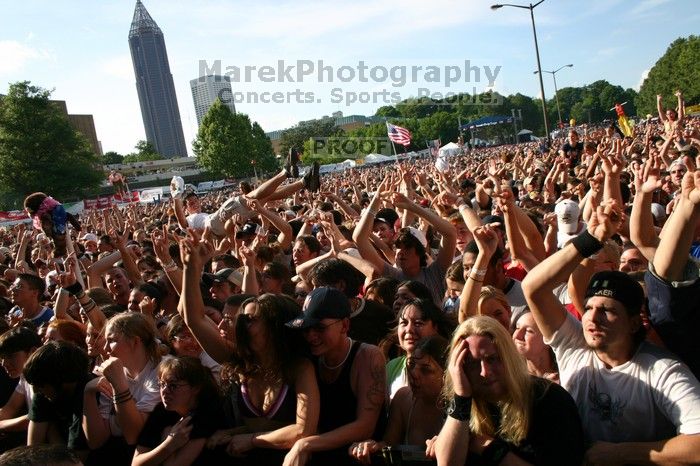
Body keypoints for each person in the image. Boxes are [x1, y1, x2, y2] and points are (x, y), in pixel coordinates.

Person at [521, 199, 700, 464]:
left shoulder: (662, 371)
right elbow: (533, 288)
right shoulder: (574, 347)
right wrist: (590, 240)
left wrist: (619, 454)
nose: (592, 316)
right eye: (590, 307)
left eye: (608, 310)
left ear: (634, 322)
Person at [433, 316, 584, 466]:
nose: (485, 372)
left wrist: (490, 449)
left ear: (508, 357)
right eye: (473, 364)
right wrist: (461, 398)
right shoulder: (462, 400)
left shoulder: (548, 399)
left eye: (492, 359)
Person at [284, 287, 386, 466]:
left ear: (345, 325)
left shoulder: (368, 356)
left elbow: (365, 426)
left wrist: (305, 444)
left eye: (319, 328)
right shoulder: (307, 357)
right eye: (306, 328)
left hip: (356, 457)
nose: (311, 335)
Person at [350, 335, 448, 465]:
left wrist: (449, 443)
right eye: (411, 364)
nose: (414, 373)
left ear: (447, 376)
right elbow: (389, 444)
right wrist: (371, 447)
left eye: (425, 370)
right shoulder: (403, 398)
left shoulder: (460, 407)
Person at [82, 313, 163, 464]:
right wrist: (88, 392)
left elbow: (132, 435)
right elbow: (96, 441)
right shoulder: (114, 371)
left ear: (135, 341)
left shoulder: (161, 371)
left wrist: (119, 385)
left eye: (111, 341)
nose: (105, 348)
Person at [132, 356, 223, 466]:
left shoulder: (207, 415)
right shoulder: (161, 412)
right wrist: (169, 444)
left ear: (196, 388)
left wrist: (169, 442)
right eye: (162, 384)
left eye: (173, 385)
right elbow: (136, 463)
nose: (164, 391)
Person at [23, 341, 94, 455]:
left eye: (40, 385)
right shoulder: (44, 390)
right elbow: (33, 450)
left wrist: (51, 430)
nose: (36, 390)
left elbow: (75, 459)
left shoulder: (87, 394)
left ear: (63, 381)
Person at [385, 299, 452, 399]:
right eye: (404, 323)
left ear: (436, 328)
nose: (409, 330)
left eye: (418, 323)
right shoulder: (391, 367)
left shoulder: (448, 367)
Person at [0, 327, 42, 442]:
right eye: (2, 358)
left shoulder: (44, 379)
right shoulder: (24, 376)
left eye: (10, 356)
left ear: (32, 352)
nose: (4, 363)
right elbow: (9, 409)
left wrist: (1, 425)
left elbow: (34, 418)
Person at [512, 310, 558, 383]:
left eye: (529, 331)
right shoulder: (511, 377)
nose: (517, 336)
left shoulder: (565, 376)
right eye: (517, 328)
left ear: (548, 340)